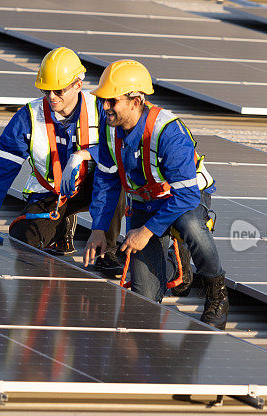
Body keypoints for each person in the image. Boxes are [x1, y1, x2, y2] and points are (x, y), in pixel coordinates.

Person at [81, 59, 229, 329]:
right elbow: (106, 177)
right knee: (144, 301)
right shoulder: (109, 125)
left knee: (192, 226)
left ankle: (216, 291)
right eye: (103, 100)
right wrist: (99, 228)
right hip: (144, 204)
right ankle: (177, 264)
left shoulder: (168, 132)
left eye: (111, 101)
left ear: (135, 101)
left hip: (182, 200)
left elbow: (186, 196)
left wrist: (146, 231)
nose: (104, 108)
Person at [0, 47, 124, 272]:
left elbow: (121, 152)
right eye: (46, 91)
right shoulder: (28, 118)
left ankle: (107, 250)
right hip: (51, 193)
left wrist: (83, 154)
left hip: (94, 186)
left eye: (58, 90)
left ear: (78, 85)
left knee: (116, 176)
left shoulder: (101, 108)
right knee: (23, 239)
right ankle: (61, 227)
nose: (52, 96)